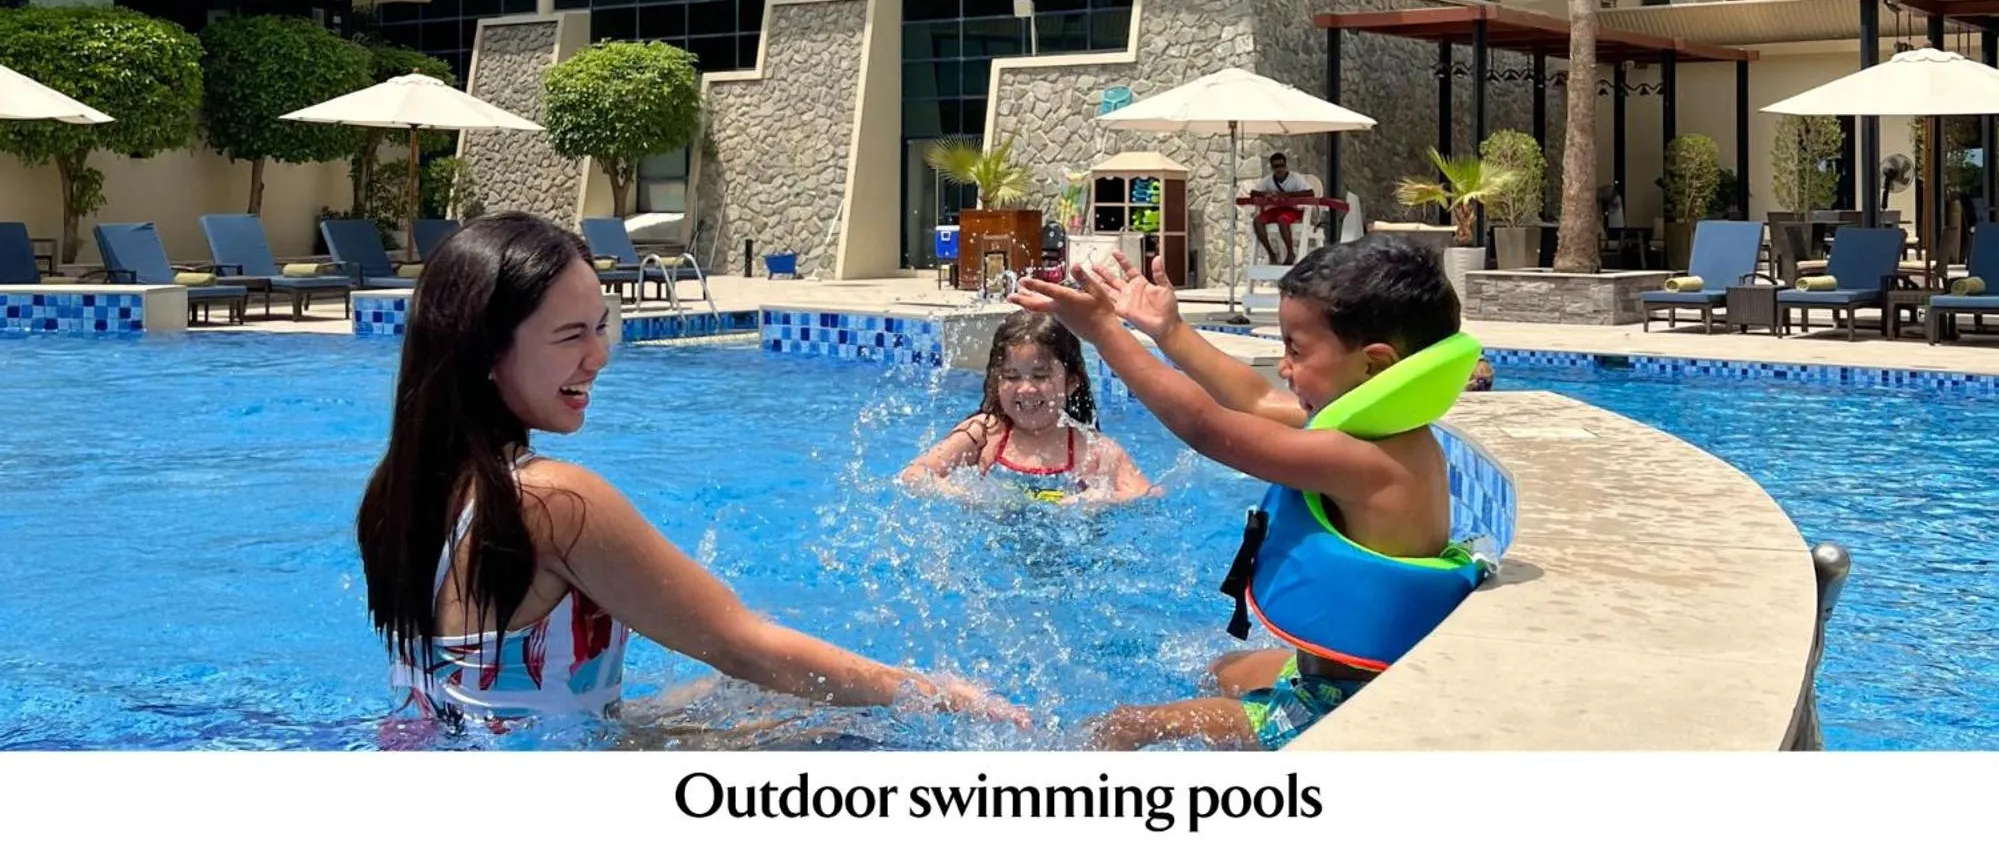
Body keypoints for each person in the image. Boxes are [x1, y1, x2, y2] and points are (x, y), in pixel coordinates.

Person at [356, 211, 1024, 729]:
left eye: (600, 327)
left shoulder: (396, 492)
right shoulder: (554, 501)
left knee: (730, 697)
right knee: (833, 718)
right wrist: (931, 694)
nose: (599, 357)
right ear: (485, 352)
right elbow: (746, 645)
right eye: (570, 336)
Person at [1010, 238, 1482, 750]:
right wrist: (1169, 330)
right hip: (1338, 677)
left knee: (1125, 725)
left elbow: (1206, 427)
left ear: (1373, 365)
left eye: (1296, 351)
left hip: (1343, 705)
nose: (1283, 367)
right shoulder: (1389, 434)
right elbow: (1254, 399)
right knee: (1223, 671)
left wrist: (1104, 332)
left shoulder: (1369, 464)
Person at [900, 311, 1154, 503]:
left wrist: (1101, 501)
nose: (1026, 389)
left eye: (1041, 376)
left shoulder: (1094, 450)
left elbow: (1149, 496)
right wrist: (962, 495)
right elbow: (914, 474)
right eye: (1011, 376)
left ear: (1071, 382)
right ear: (996, 379)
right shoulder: (983, 434)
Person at [1250, 152, 1314, 265]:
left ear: (1286, 166)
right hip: (1276, 209)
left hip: (1293, 210)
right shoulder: (1268, 180)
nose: (1279, 169)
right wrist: (1266, 194)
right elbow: (1253, 193)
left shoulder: (1295, 178)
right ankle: (1271, 253)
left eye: (1281, 165)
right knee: (1257, 221)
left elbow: (1310, 192)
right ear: (1272, 168)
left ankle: (1290, 253)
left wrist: (1288, 195)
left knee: (1282, 219)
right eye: (1276, 166)